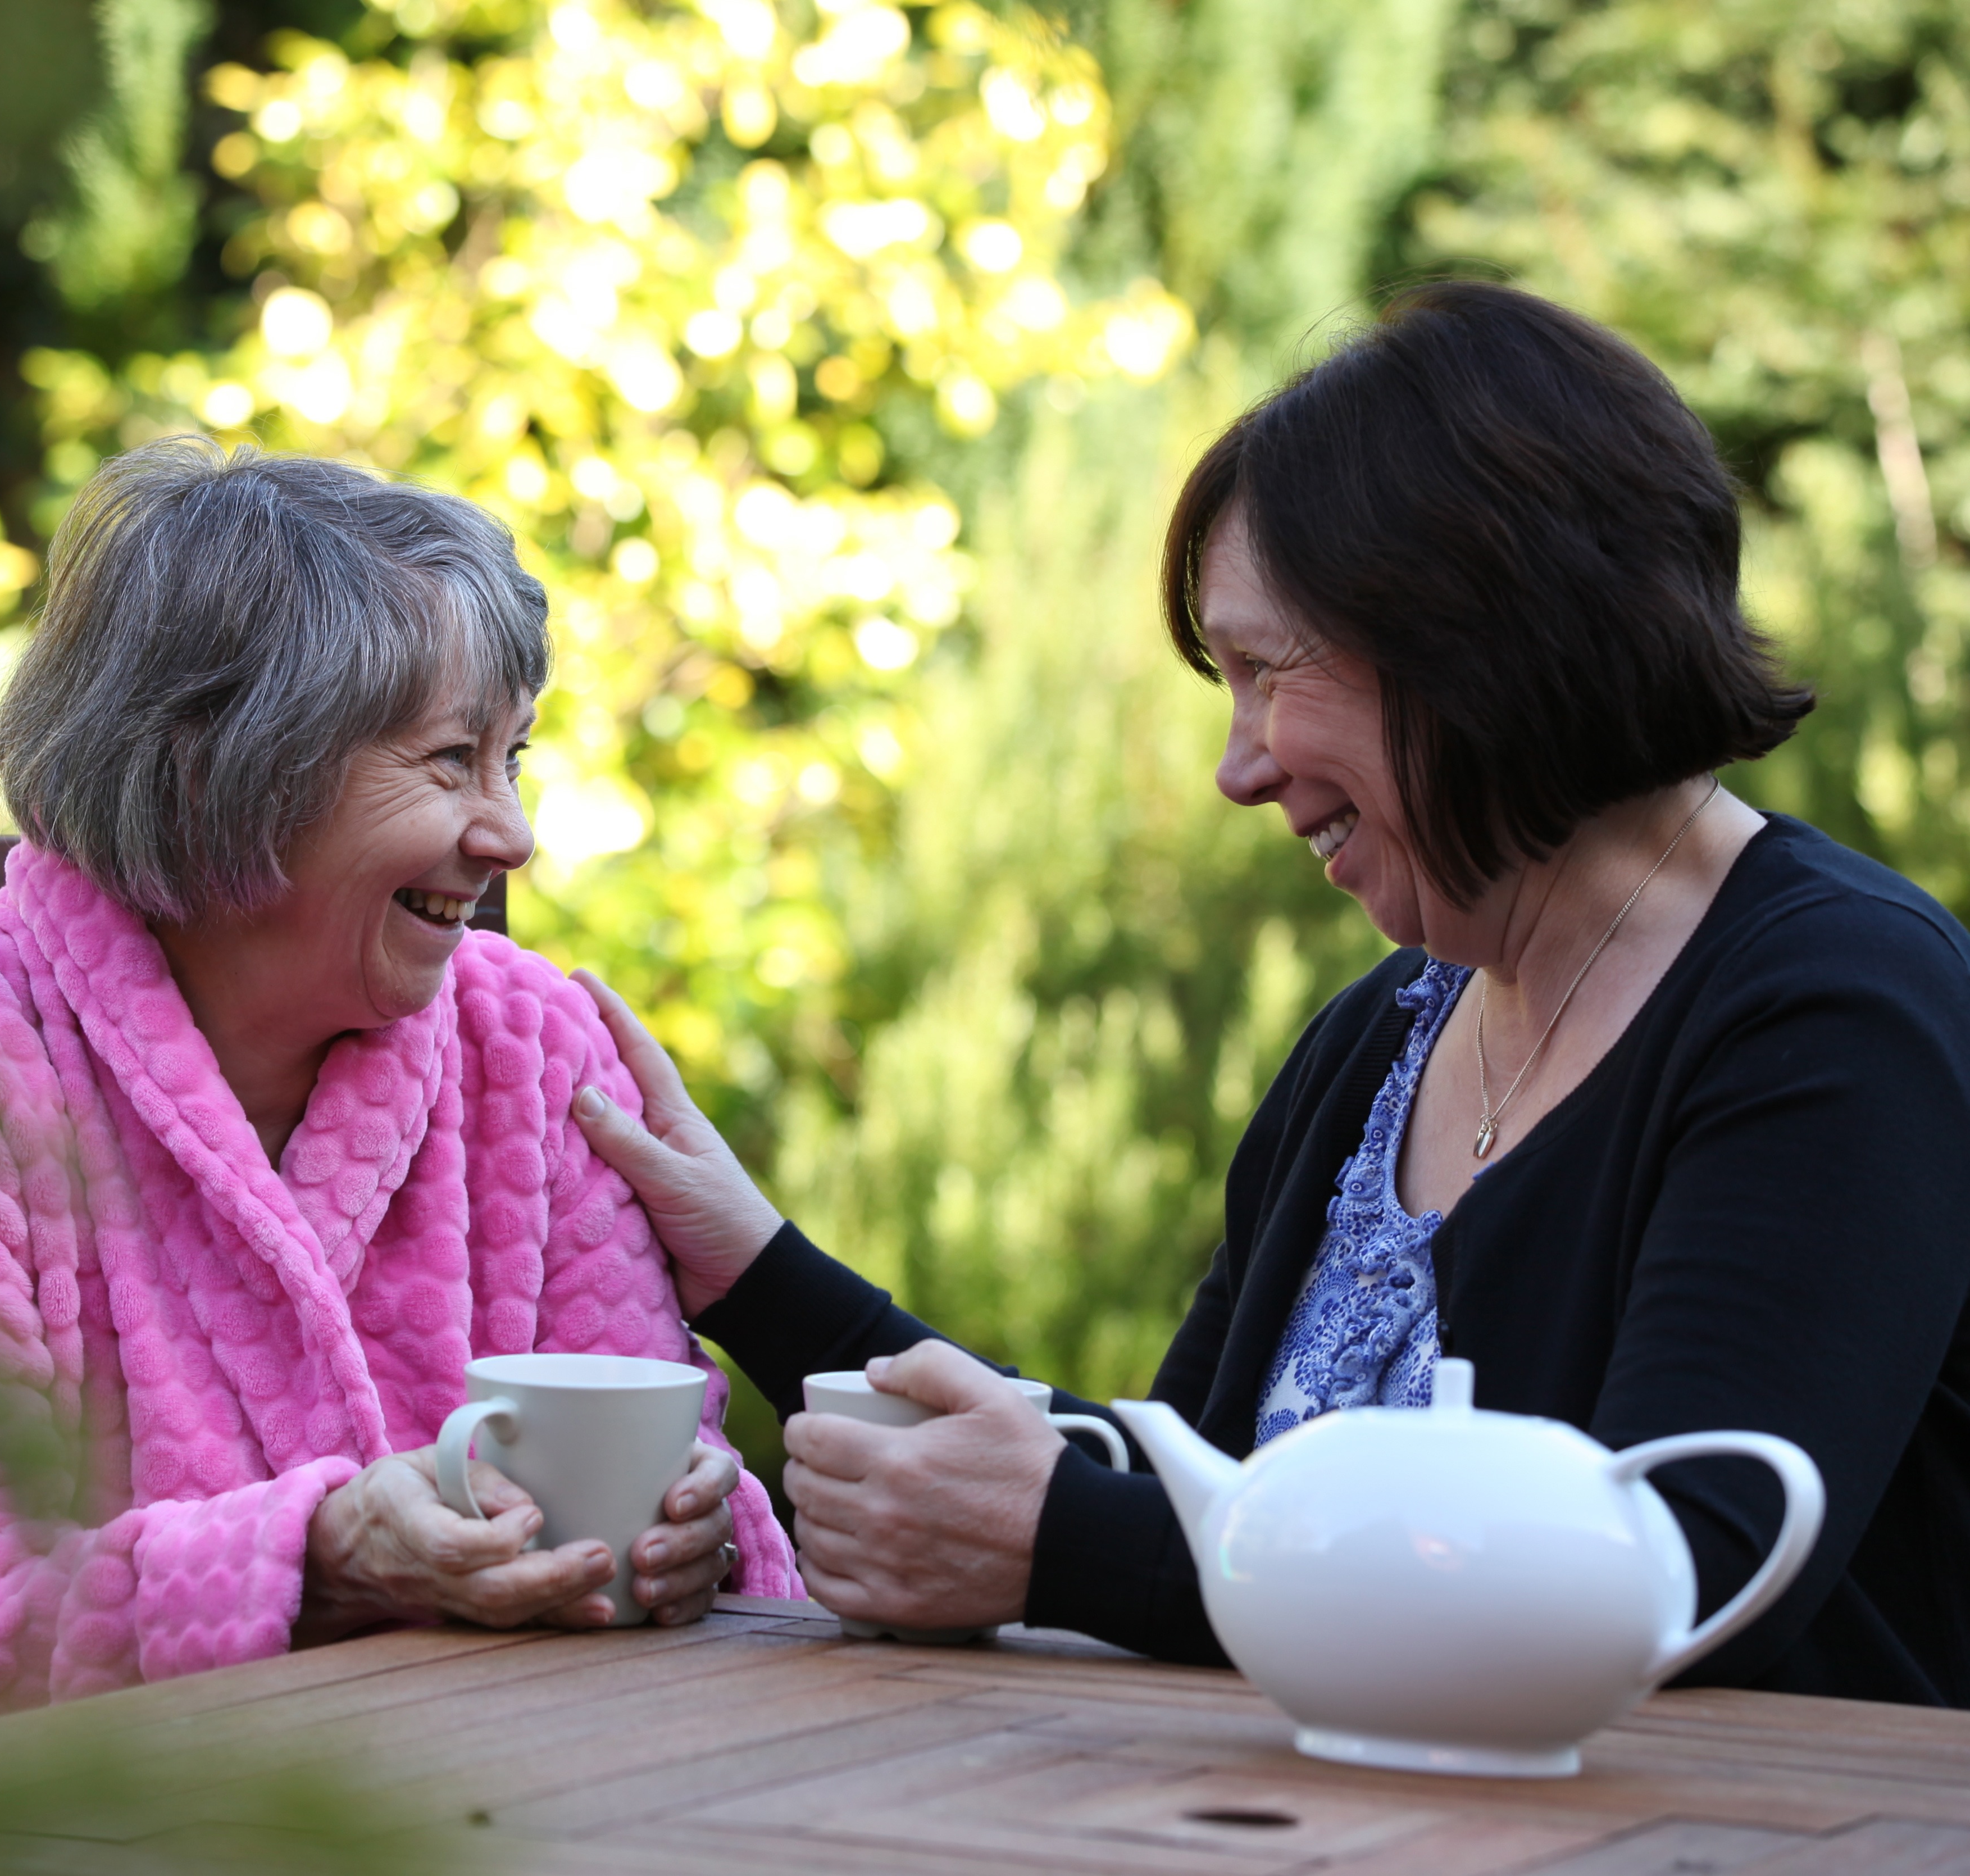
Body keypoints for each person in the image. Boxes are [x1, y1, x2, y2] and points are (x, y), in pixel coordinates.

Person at [570, 281, 1970, 1705]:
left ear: (1472, 634)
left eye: (1260, 669)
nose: (1236, 766)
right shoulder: (1386, 1035)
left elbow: (1682, 1571)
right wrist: (752, 1268)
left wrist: (1062, 1547)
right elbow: (1196, 1479)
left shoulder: (1831, 1005)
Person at [0, 439, 797, 1754]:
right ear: (224, 773)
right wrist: (309, 1558)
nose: (511, 834)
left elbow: (663, 1476)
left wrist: (685, 1525)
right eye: (448, 761)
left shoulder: (530, 1042)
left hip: (514, 1797)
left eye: (513, 758)